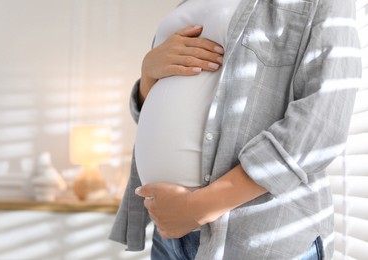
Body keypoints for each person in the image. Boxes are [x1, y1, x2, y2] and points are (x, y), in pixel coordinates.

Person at [110, 0, 362, 259]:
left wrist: (199, 207)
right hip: (170, 234)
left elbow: (323, 121)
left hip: (255, 234)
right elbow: (161, 109)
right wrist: (149, 73)